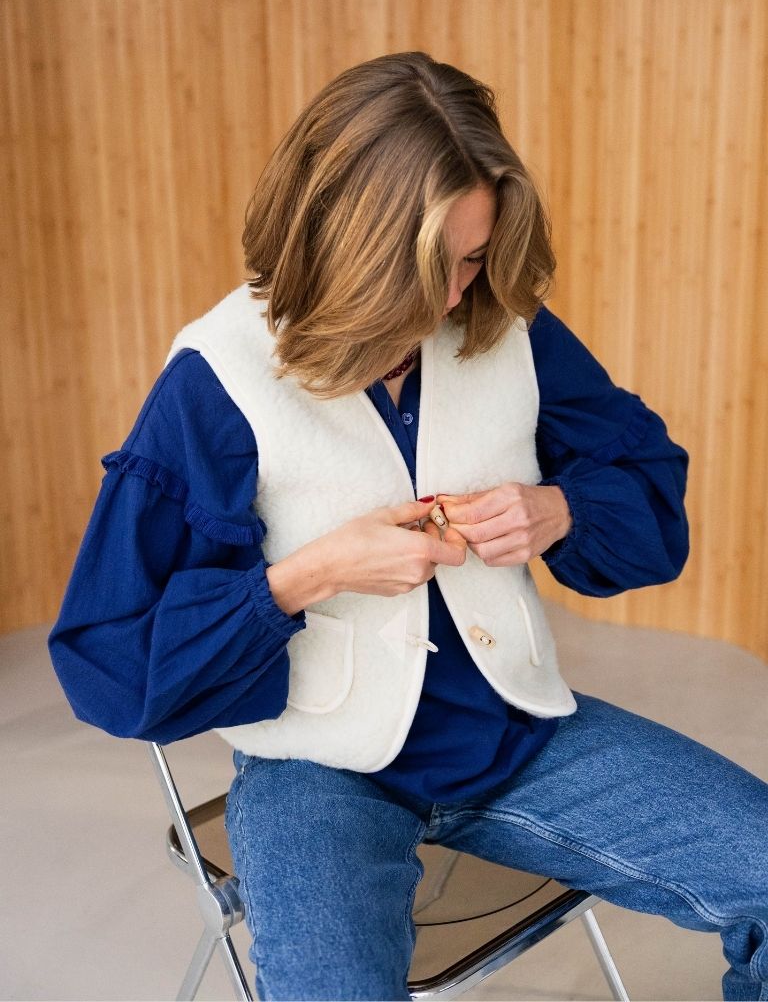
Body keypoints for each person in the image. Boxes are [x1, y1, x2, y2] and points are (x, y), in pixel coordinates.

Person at [49, 52, 767, 1001]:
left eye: (474, 257)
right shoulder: (217, 382)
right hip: (319, 773)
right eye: (434, 266)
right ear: (348, 244)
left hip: (517, 737)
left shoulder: (506, 327)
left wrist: (558, 510)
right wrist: (309, 576)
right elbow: (109, 656)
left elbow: (644, 484)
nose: (459, 295)